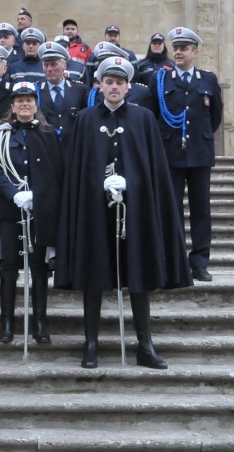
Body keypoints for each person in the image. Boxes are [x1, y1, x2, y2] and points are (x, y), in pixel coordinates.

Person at [56, 56, 192, 369]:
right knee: (93, 273)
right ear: (100, 85)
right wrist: (99, 184)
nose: (114, 87)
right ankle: (91, 344)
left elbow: (154, 167)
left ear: (128, 86)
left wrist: (131, 180)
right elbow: (77, 169)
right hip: (94, 208)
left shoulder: (143, 118)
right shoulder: (86, 119)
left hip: (136, 209)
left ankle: (145, 345)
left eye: (119, 82)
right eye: (109, 82)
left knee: (139, 273)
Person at [0, 81, 65, 344]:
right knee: (9, 266)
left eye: (29, 100)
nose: (24, 104)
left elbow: (56, 171)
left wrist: (38, 195)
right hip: (10, 208)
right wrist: (14, 193)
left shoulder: (49, 132)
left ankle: (40, 324)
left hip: (40, 209)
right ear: (12, 105)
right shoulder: (1, 134)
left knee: (39, 267)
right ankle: (7, 323)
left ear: (36, 104)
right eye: (19, 100)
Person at [146, 27, 223, 282]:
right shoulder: (160, 79)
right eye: (176, 48)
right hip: (170, 153)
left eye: (184, 48)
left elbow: (215, 117)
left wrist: (199, 139)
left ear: (195, 52)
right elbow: (153, 115)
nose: (178, 52)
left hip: (199, 153)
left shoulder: (208, 80)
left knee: (201, 209)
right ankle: (174, 260)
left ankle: (200, 261)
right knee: (172, 208)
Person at [36, 41, 88, 149]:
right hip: (45, 149)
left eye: (54, 64)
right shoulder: (35, 90)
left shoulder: (79, 90)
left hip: (72, 149)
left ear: (65, 65)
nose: (49, 69)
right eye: (46, 65)